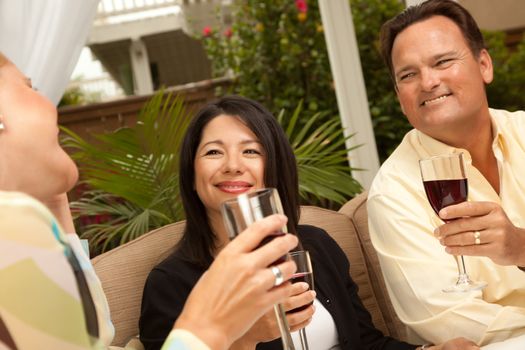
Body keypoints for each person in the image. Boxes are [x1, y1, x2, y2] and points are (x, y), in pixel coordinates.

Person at [0, 52, 300, 350]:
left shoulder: (22, 235)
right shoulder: (15, 228)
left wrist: (55, 201)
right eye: (29, 88)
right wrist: (211, 326)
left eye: (251, 151)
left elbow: (91, 337)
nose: (51, 104)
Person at [139, 95, 477, 350]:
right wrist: (248, 336)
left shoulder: (316, 245)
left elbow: (364, 342)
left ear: (272, 167)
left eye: (251, 151)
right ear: (191, 174)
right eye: (213, 152)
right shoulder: (169, 283)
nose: (232, 165)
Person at [367, 0, 525, 346]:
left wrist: (521, 247)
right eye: (408, 75)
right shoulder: (394, 192)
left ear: (484, 65)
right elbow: (450, 323)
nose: (428, 81)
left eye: (442, 62)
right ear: (399, 96)